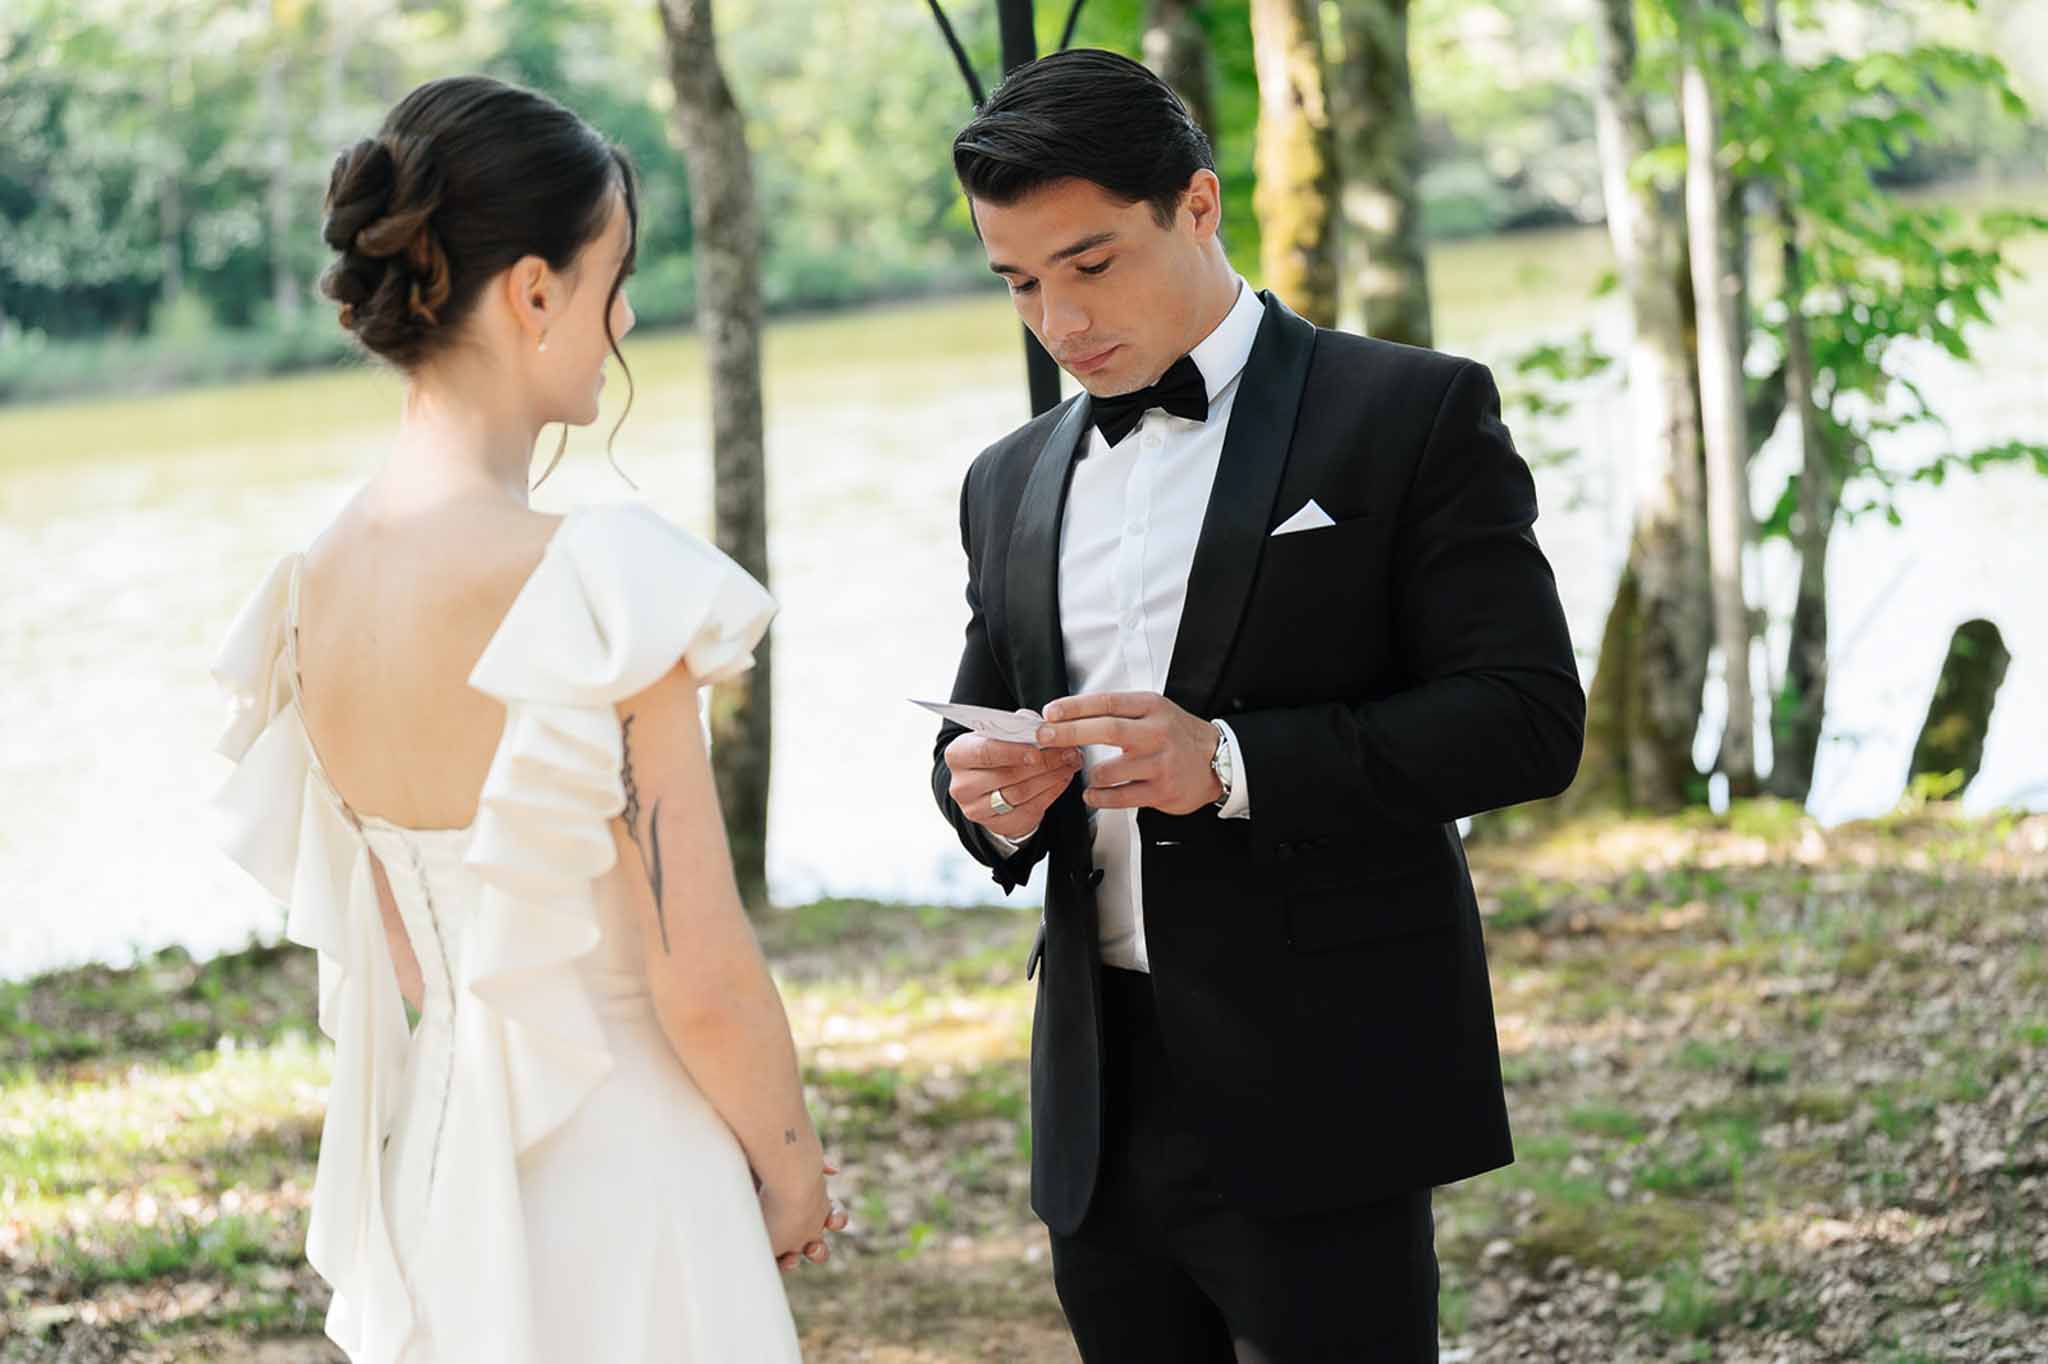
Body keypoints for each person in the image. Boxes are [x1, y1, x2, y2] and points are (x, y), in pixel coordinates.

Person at [930, 49, 1585, 1363]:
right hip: (1097, 1100)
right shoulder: (1004, 480)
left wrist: (1228, 762)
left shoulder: (1409, 411)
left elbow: (1526, 717)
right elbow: (980, 733)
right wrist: (986, 800)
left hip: (1326, 1079)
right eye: (1019, 283)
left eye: (1091, 263)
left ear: (1200, 204)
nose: (1058, 320)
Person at [210, 76, 841, 1364]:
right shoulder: (599, 587)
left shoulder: (305, 591)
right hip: (630, 1173)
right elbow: (699, 966)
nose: (622, 320)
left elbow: (399, 953)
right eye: (612, 277)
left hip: (442, 1175)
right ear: (534, 291)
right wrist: (791, 1177)